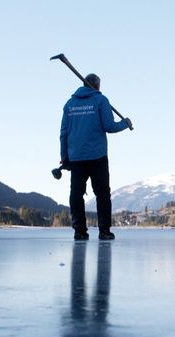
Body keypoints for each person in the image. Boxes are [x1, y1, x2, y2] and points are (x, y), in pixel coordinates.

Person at [60, 73, 131, 240]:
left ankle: (79, 231)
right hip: (97, 156)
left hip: (76, 157)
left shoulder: (69, 104)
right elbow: (109, 126)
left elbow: (63, 133)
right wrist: (125, 124)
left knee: (76, 194)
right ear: (97, 85)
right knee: (102, 194)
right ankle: (104, 231)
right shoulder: (101, 100)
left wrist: (64, 156)